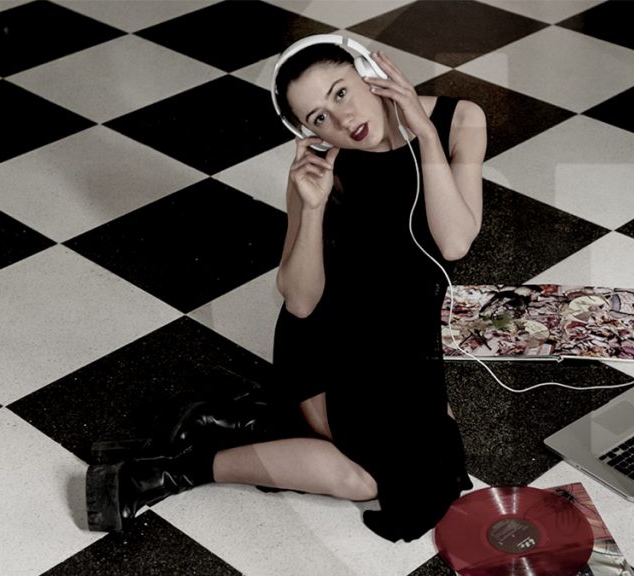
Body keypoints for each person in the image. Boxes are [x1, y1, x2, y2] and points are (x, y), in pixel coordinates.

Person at [86, 39, 487, 543]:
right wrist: (312, 207)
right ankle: (173, 470)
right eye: (318, 118)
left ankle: (231, 419)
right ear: (305, 130)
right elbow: (300, 300)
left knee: (440, 468)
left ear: (369, 71)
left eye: (341, 92)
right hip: (331, 345)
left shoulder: (460, 121)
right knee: (368, 480)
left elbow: (454, 242)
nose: (342, 120)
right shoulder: (321, 167)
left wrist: (424, 134)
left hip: (408, 340)